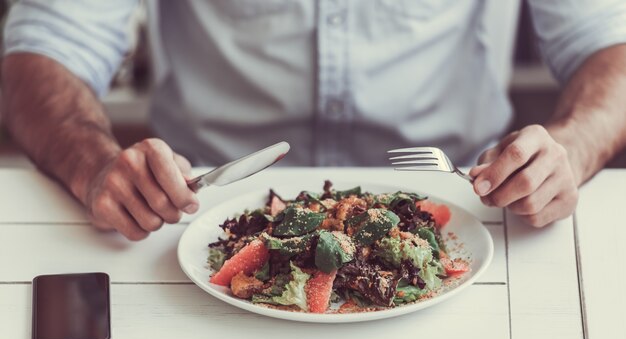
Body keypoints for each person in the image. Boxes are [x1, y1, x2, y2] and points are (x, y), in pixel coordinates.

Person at [2, 1, 626, 241]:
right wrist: (94, 165)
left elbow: (611, 44)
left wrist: (568, 146)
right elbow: (44, 45)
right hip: (195, 218)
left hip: (462, 211)